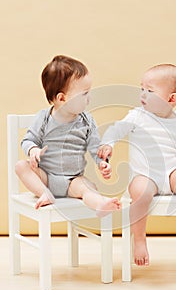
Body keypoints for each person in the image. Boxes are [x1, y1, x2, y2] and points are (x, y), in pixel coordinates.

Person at [98, 64, 176, 265]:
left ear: (171, 99)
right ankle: (139, 240)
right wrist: (108, 143)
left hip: (170, 174)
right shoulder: (137, 116)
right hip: (144, 175)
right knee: (142, 192)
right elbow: (116, 130)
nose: (143, 94)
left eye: (150, 91)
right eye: (142, 89)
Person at [15, 55, 121, 216]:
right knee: (21, 166)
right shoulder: (43, 118)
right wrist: (33, 150)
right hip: (46, 177)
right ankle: (44, 193)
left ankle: (101, 204)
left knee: (87, 189)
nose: (89, 99)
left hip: (73, 180)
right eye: (84, 94)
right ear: (62, 98)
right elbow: (28, 140)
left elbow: (95, 147)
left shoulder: (86, 121)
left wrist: (102, 162)